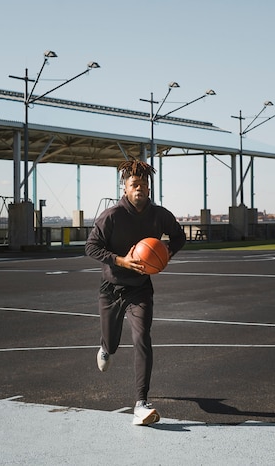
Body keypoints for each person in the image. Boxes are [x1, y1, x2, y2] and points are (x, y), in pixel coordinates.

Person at [85, 158, 186, 426]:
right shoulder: (112, 216)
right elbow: (91, 247)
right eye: (134, 184)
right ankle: (106, 347)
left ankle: (141, 403)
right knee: (112, 343)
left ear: (149, 189)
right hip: (111, 288)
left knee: (142, 337)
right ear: (125, 189)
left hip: (140, 289)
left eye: (143, 184)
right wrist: (121, 261)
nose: (139, 187)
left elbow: (179, 236)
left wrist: (166, 254)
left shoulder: (159, 214)